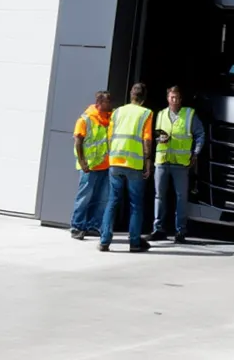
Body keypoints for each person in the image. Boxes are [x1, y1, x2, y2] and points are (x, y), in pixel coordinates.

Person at [99, 83, 153, 253]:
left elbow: (109, 137)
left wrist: (111, 156)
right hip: (134, 164)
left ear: (131, 94)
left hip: (116, 161)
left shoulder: (117, 112)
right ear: (144, 98)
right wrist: (148, 161)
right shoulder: (146, 113)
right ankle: (135, 242)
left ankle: (104, 241)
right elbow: (147, 140)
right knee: (136, 204)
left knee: (112, 201)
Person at [148, 85, 206, 243]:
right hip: (162, 160)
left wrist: (195, 153)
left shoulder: (189, 114)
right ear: (167, 98)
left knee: (181, 197)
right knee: (159, 196)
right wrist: (160, 139)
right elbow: (155, 135)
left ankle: (180, 231)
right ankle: (158, 229)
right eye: (171, 97)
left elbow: (200, 134)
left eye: (176, 97)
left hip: (180, 163)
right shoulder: (161, 114)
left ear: (180, 99)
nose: (174, 100)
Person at [69, 90, 112, 240]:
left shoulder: (109, 119)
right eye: (107, 101)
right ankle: (77, 227)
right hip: (90, 166)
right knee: (84, 198)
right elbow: (78, 141)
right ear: (99, 103)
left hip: (105, 166)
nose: (110, 104)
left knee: (101, 199)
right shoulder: (85, 120)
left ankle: (93, 226)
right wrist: (82, 162)